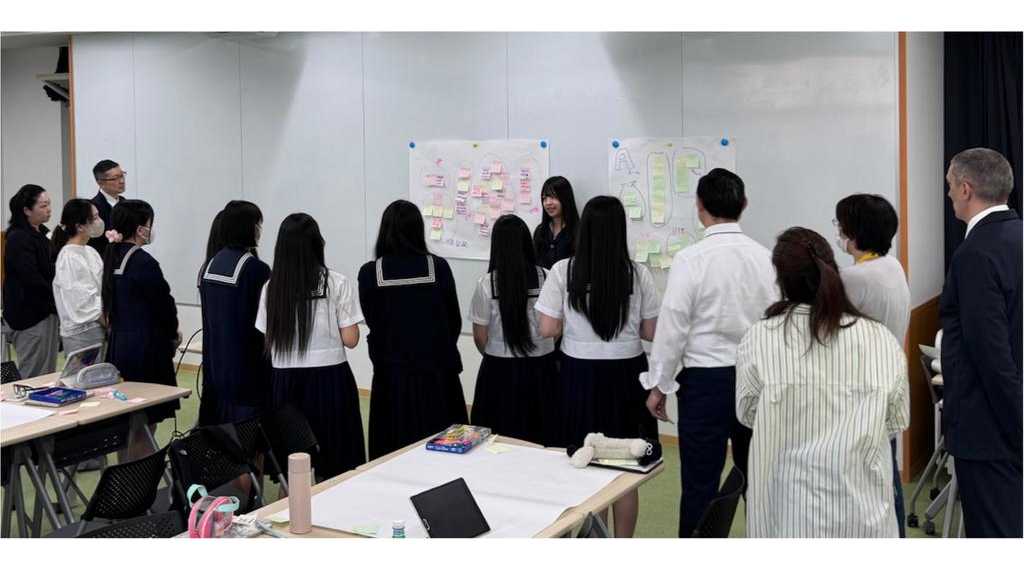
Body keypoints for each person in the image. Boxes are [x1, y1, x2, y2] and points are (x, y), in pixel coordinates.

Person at [736, 227, 909, 537]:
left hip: (786, 510)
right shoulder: (880, 339)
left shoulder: (760, 338)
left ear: (781, 281)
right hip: (862, 511)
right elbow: (896, 420)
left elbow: (747, 413)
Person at [641, 168, 777, 538]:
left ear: (699, 207)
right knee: (759, 482)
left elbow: (673, 327)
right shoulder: (766, 258)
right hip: (757, 379)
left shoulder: (691, 259)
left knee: (700, 484)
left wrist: (659, 385)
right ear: (744, 204)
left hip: (704, 384)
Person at [535, 195, 660, 538]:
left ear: (584, 229)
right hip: (627, 376)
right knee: (626, 469)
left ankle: (594, 542)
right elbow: (651, 332)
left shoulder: (564, 270)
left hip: (579, 376)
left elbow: (547, 328)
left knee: (586, 462)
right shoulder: (638, 273)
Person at [940, 147, 1022, 537]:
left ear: (966, 188)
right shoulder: (1017, 238)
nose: (949, 195)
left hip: (992, 431)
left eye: (950, 186)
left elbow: (990, 355)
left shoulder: (974, 253)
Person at [256, 213, 365, 480]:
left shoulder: (272, 288)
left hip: (285, 383)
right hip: (330, 381)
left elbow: (266, 336)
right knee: (335, 457)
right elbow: (351, 339)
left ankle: (291, 503)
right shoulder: (336, 282)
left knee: (294, 462)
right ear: (318, 244)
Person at [358, 200, 467, 460]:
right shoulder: (438, 267)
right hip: (438, 376)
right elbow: (454, 321)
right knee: (444, 452)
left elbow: (373, 321)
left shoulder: (370, 273)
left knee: (394, 453)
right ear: (419, 229)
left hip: (392, 379)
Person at [834, 193, 911, 537]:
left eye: (841, 225)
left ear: (854, 231)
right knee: (887, 478)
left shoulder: (855, 278)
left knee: (865, 488)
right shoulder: (892, 266)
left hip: (859, 396)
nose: (838, 231)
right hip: (887, 386)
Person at [469, 215, 561, 446]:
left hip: (498, 371)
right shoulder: (547, 276)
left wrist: (496, 351)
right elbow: (557, 328)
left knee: (498, 439)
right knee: (543, 435)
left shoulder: (486, 283)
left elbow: (480, 336)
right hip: (542, 369)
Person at [102, 199, 180, 459]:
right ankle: (139, 475)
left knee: (127, 421)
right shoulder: (143, 262)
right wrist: (173, 335)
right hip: (146, 350)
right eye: (149, 224)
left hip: (120, 347)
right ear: (139, 229)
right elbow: (164, 305)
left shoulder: (112, 256)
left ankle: (126, 470)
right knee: (145, 422)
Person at [198, 201, 271, 426]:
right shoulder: (256, 269)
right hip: (248, 368)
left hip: (215, 365)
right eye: (257, 224)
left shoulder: (209, 265)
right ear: (246, 227)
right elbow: (265, 323)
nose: (259, 230)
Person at [2, 184, 59, 378]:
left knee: (47, 372)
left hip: (46, 310)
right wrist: (56, 293)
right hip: (30, 316)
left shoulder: (42, 233)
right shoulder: (19, 237)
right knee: (34, 373)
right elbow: (31, 278)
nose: (49, 209)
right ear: (27, 210)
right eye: (43, 206)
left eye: (49, 204)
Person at [51, 198, 107, 356]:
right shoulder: (69, 257)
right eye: (94, 218)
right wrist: (106, 321)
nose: (99, 221)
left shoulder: (90, 251)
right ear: (79, 226)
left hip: (99, 326)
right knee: (85, 372)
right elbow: (82, 303)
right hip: (82, 333)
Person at [532, 176, 580, 270]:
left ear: (565, 198)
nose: (548, 203)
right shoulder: (540, 231)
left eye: (553, 197)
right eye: (544, 198)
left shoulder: (578, 231)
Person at [87, 159, 127, 255]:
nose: (121, 181)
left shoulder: (126, 204)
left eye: (122, 175)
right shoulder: (92, 208)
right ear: (100, 182)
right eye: (115, 178)